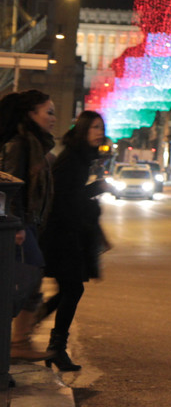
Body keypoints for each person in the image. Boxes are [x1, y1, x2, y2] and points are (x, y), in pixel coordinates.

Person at [39, 110, 110, 372]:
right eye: (93, 127)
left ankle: (50, 341)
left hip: (69, 232)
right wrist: (96, 188)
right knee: (72, 289)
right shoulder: (72, 159)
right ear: (82, 129)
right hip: (63, 233)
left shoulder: (82, 157)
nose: (99, 132)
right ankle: (54, 347)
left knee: (69, 289)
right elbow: (64, 197)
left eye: (101, 127)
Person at [0, 90, 56, 359]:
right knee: (28, 277)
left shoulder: (34, 143)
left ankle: (19, 341)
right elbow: (8, 184)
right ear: (31, 113)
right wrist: (16, 225)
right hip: (17, 225)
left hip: (27, 223)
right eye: (49, 111)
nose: (53, 118)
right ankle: (17, 342)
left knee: (30, 278)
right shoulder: (20, 144)